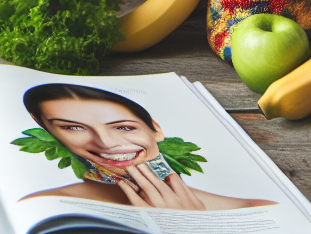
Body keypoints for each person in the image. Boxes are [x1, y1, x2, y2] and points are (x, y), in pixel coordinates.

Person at [18, 83, 276, 210]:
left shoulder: (259, 208)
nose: (107, 143)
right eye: (73, 127)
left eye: (124, 127)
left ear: (156, 129)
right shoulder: (46, 203)